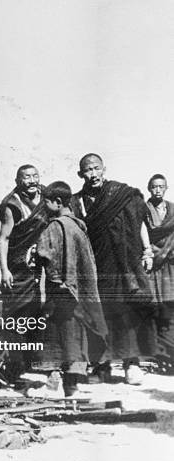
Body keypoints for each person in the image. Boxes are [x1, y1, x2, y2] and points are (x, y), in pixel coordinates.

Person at [70, 153, 156, 385]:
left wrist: (147, 251)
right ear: (81, 174)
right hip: (94, 268)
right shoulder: (76, 202)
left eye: (97, 168)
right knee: (98, 314)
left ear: (104, 169)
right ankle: (102, 366)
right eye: (88, 170)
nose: (93, 174)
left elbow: (140, 224)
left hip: (123, 267)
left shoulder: (122, 195)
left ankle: (132, 364)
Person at [35, 182, 108, 396]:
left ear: (57, 202)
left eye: (46, 202)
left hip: (61, 293)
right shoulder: (78, 226)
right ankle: (72, 386)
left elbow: (47, 255)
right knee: (75, 336)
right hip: (77, 293)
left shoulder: (56, 226)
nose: (44, 206)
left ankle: (53, 383)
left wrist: (35, 256)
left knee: (55, 335)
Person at [0, 165, 49, 384]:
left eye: (35, 176)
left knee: (40, 311)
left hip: (44, 262)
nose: (32, 180)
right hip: (19, 266)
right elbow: (4, 239)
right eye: (26, 177)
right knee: (17, 313)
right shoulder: (12, 204)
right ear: (18, 180)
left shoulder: (46, 197)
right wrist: (4, 269)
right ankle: (13, 364)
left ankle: (36, 361)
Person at [145, 174, 174, 369]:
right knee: (154, 307)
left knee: (169, 306)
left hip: (170, 263)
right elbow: (143, 233)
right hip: (151, 262)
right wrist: (152, 252)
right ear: (149, 188)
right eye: (154, 187)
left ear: (166, 188)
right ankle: (158, 354)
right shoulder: (144, 210)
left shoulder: (172, 209)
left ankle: (169, 353)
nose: (157, 190)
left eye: (161, 187)